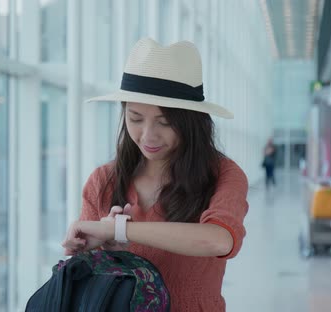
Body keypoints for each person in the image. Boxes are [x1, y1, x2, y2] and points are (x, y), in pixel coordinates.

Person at [61, 38, 249, 311]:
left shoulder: (223, 175)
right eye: (135, 118)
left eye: (165, 122)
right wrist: (87, 247)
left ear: (192, 123)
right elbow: (88, 279)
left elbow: (219, 240)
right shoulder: (103, 180)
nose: (148, 136)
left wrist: (121, 229)